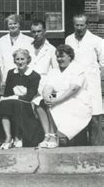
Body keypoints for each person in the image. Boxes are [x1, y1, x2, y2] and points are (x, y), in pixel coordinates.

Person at [36, 45, 92, 149]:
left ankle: (54, 137)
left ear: (70, 57)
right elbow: (48, 87)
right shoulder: (54, 71)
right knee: (38, 101)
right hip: (59, 95)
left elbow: (73, 89)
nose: (59, 59)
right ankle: (47, 135)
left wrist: (56, 101)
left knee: (52, 104)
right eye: (57, 57)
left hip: (76, 99)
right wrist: (47, 97)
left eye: (62, 56)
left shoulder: (77, 69)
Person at [65, 14, 103, 146]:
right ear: (73, 25)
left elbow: (103, 63)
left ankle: (97, 148)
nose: (79, 28)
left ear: (87, 25)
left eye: (82, 25)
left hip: (92, 83)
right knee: (79, 114)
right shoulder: (69, 39)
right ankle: (79, 147)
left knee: (95, 115)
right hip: (76, 83)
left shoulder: (97, 40)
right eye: (77, 25)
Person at [0, 49, 42, 149]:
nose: (20, 62)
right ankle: (8, 137)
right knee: (4, 104)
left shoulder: (34, 76)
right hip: (12, 103)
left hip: (28, 104)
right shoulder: (11, 73)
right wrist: (5, 98)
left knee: (15, 104)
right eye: (17, 59)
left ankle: (18, 137)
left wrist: (13, 98)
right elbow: (8, 92)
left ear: (28, 60)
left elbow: (29, 96)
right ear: (14, 61)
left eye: (23, 59)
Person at [0, 14, 33, 84]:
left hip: (24, 78)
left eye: (15, 23)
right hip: (5, 79)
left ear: (19, 25)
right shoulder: (0, 41)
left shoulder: (29, 41)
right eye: (10, 24)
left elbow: (31, 61)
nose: (13, 26)